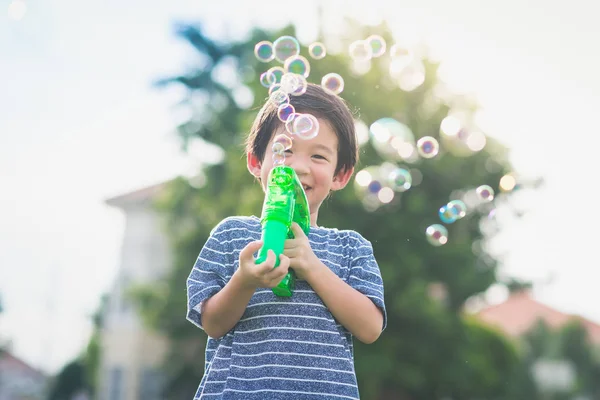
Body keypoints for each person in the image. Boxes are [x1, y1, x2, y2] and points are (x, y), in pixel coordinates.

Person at [186, 83, 386, 399]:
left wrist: (311, 265)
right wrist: (245, 280)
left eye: (319, 156)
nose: (298, 167)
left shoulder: (350, 247)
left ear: (341, 175)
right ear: (256, 162)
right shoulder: (232, 235)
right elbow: (212, 323)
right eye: (285, 151)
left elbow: (370, 328)